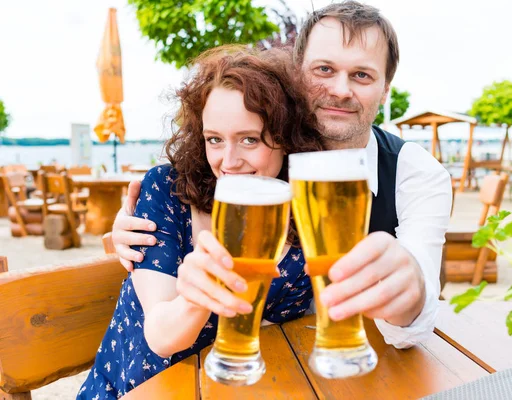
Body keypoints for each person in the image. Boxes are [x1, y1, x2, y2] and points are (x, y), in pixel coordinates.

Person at [112, 1, 452, 351]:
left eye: (362, 75)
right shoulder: (268, 163)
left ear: (385, 90)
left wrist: (410, 289)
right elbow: (193, 188)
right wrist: (130, 227)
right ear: (296, 75)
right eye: (323, 69)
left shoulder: (415, 173)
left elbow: (415, 325)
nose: (340, 89)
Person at [77, 47, 324, 399]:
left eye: (249, 139)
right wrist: (198, 296)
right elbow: (161, 337)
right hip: (130, 391)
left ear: (285, 138)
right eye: (215, 140)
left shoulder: (304, 223)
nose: (228, 161)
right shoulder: (168, 191)